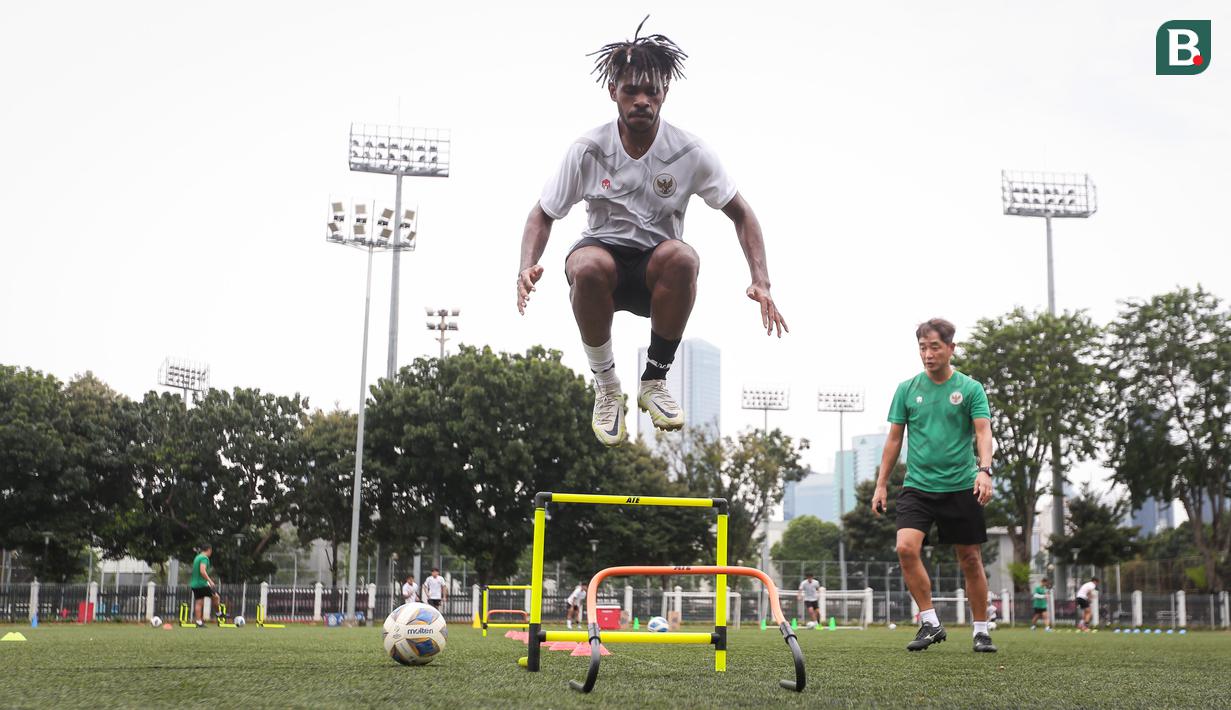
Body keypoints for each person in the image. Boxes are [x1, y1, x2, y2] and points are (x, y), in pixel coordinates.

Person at [516, 16, 788, 447]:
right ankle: (607, 386)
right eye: (631, 90)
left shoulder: (689, 151)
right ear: (613, 92)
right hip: (602, 260)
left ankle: (654, 380)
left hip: (654, 274)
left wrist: (762, 280)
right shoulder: (587, 149)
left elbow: (742, 213)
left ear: (665, 93)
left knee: (683, 257)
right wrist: (526, 265)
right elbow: (542, 213)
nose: (642, 100)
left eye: (652, 91)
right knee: (587, 266)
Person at [871, 318, 997, 653]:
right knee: (905, 548)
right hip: (917, 486)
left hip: (959, 485)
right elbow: (894, 440)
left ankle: (981, 630)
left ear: (951, 348)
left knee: (969, 558)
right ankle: (930, 622)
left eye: (934, 347)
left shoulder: (970, 388)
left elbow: (983, 432)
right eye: (922, 348)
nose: (928, 354)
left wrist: (984, 470)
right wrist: (881, 485)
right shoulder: (907, 390)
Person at [189, 544, 217, 627]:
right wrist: (210, 581)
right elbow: (202, 571)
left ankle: (198, 622)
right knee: (216, 597)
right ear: (209, 550)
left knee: (199, 602)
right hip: (202, 584)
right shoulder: (204, 558)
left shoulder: (197, 557)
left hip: (194, 584)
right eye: (211, 551)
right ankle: (219, 613)